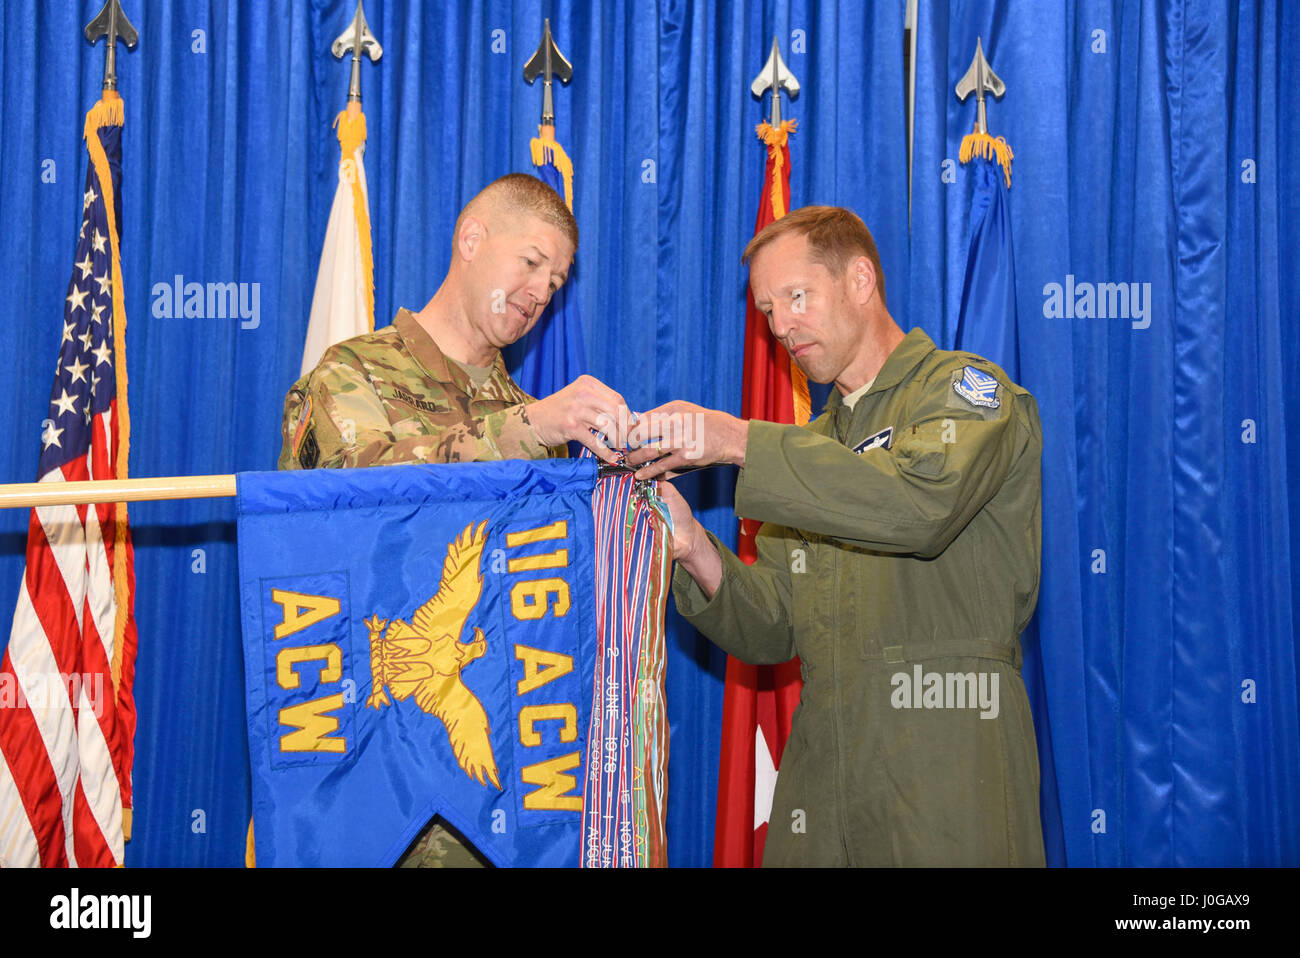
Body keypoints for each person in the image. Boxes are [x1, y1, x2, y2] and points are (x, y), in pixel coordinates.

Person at [627, 205, 1046, 867]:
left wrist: (737, 439)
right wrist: (691, 547)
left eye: (797, 297)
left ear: (860, 281)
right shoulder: (810, 448)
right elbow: (771, 626)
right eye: (767, 310)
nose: (781, 326)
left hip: (950, 761)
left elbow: (916, 506)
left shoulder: (967, 394)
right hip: (824, 777)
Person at [278, 172, 628, 867]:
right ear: (471, 238)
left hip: (510, 792)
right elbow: (362, 484)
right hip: (372, 780)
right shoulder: (352, 376)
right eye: (531, 262)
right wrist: (528, 429)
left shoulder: (540, 427)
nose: (540, 292)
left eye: (556, 281)